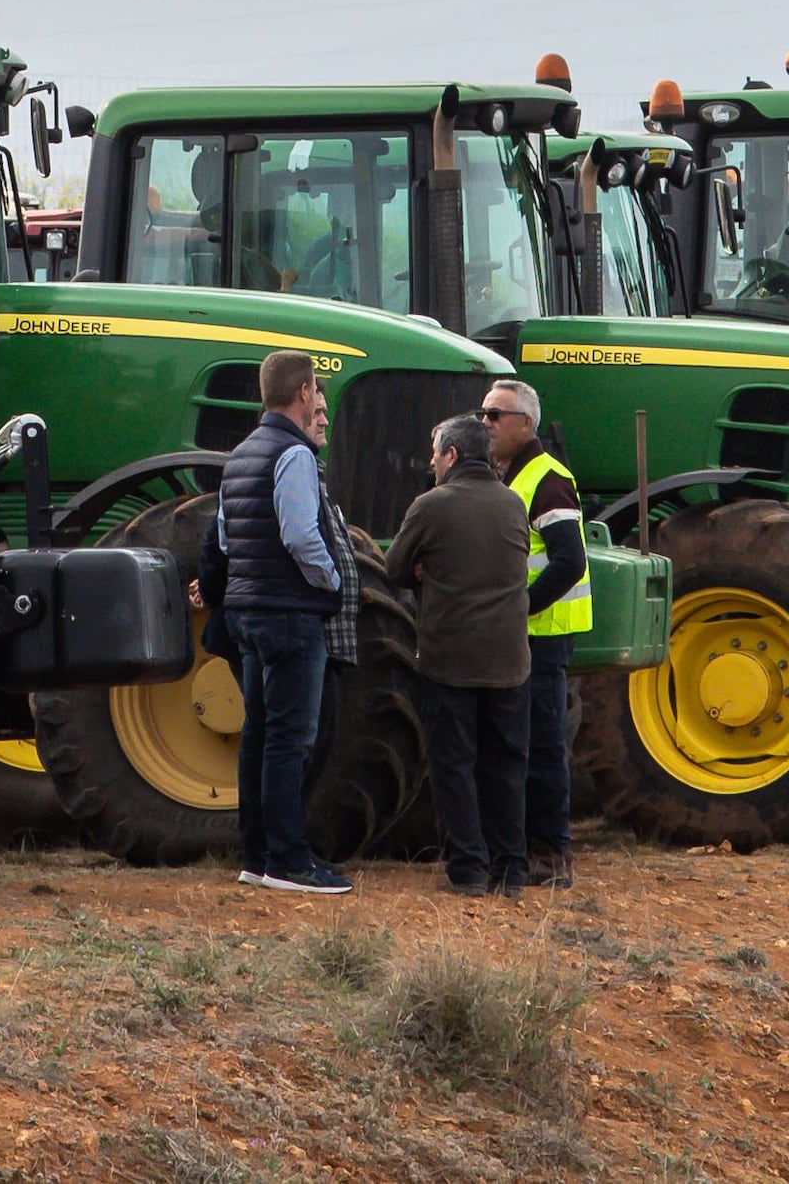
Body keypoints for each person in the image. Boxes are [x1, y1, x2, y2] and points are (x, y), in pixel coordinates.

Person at [212, 347, 353, 896]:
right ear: (302, 394)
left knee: (259, 738)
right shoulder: (293, 455)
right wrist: (332, 581)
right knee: (291, 742)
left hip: (247, 612)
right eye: (316, 391)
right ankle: (290, 861)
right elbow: (299, 533)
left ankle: (256, 854)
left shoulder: (242, 452)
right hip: (291, 614)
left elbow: (225, 538)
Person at [389, 414, 539, 895]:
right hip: (510, 663)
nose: (431, 462)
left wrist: (422, 571)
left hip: (449, 659)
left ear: (452, 455)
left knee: (455, 765)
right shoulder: (514, 504)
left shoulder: (431, 505)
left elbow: (393, 569)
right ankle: (512, 870)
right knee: (507, 768)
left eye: (435, 453)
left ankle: (469, 871)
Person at [480, 375, 590, 888]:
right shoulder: (507, 476)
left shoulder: (547, 478)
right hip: (524, 632)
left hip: (543, 634)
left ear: (525, 423)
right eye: (483, 414)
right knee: (517, 743)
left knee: (543, 745)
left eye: (494, 415)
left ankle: (550, 856)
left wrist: (518, 607)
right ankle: (523, 849)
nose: (485, 423)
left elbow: (568, 561)